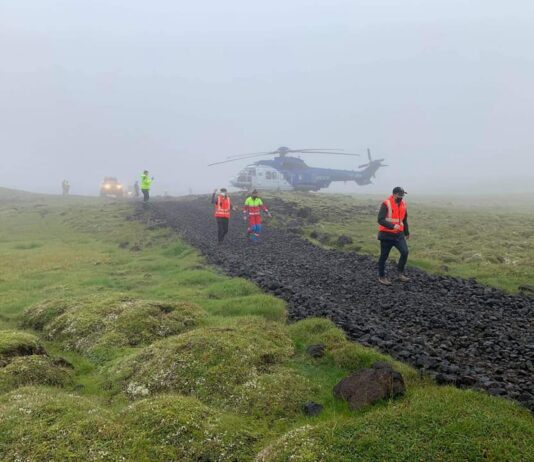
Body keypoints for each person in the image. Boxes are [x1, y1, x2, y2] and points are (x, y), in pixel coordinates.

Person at [377, 186, 410, 285]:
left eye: (403, 195)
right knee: (384, 256)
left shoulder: (403, 204)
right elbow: (380, 219)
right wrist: (392, 226)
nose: (402, 196)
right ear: (394, 194)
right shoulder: (386, 203)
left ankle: (400, 274)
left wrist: (407, 232)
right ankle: (382, 277)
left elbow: (404, 219)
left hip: (399, 235)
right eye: (400, 195)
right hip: (386, 235)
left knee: (405, 252)